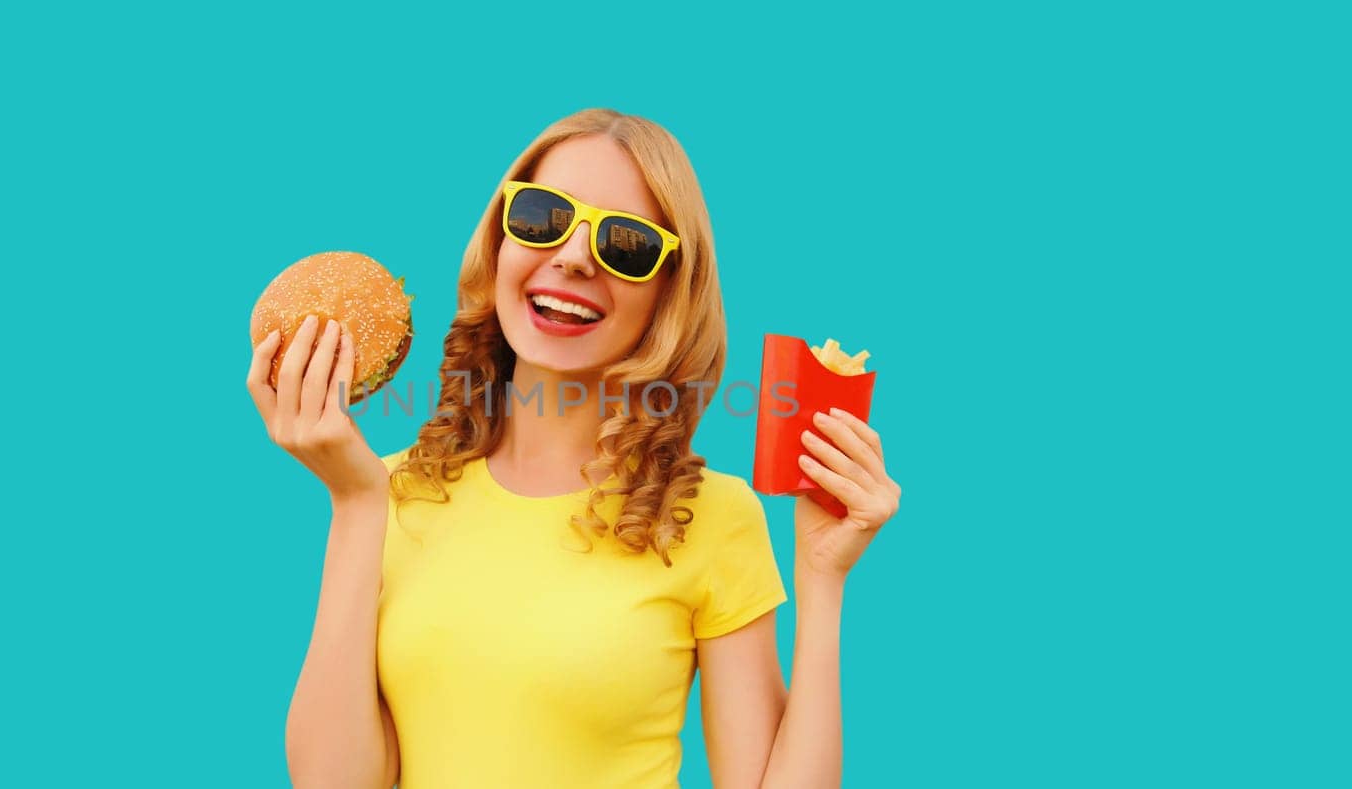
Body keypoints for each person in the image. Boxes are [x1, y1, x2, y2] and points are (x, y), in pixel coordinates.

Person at [247, 108, 902, 789]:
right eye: (540, 216)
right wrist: (356, 503)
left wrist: (823, 584)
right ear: (499, 241)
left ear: (668, 294)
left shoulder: (707, 516)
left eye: (625, 244)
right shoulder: (389, 493)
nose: (572, 256)